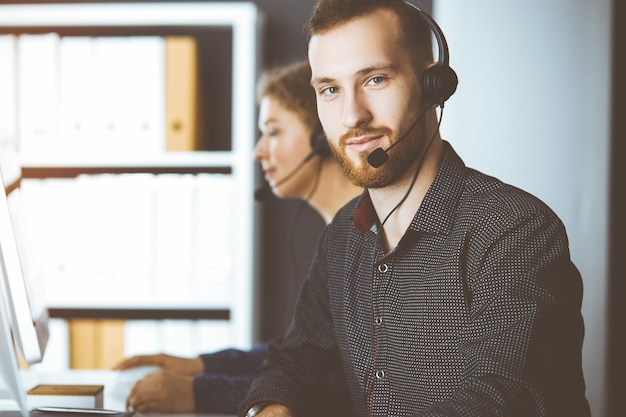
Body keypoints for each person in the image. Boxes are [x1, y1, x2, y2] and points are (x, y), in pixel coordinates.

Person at [241, 1, 590, 416]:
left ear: (432, 86)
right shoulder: (342, 236)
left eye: (375, 79)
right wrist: (270, 408)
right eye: (330, 89)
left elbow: (502, 399)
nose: (352, 116)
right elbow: (292, 361)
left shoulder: (515, 229)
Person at [112, 60, 362, 415]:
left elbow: (335, 389)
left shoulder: (365, 238)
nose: (258, 151)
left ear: (322, 137)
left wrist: (199, 393)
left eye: (273, 131)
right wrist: (199, 366)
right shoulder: (340, 237)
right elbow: (302, 356)